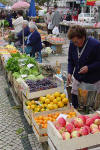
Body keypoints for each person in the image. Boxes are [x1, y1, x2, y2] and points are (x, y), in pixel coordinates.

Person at [67, 25, 100, 109]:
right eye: (73, 42)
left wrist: (89, 68)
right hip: (78, 79)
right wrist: (70, 72)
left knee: (89, 106)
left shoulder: (95, 45)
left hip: (92, 81)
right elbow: (70, 60)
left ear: (83, 37)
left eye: (76, 42)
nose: (75, 44)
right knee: (75, 102)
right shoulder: (72, 44)